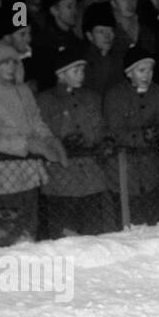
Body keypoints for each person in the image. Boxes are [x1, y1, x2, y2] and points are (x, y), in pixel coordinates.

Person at [0, 39, 66, 241]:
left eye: (14, 62)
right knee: (10, 230)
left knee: (31, 225)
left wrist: (49, 139)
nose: (11, 67)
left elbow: (36, 120)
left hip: (30, 172)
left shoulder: (23, 91)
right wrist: (26, 144)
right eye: (4, 63)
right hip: (5, 175)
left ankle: (30, 264)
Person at [37, 44, 115, 237]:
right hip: (61, 180)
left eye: (82, 70)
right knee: (65, 235)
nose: (81, 74)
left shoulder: (92, 98)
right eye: (76, 70)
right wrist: (62, 142)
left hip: (91, 178)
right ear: (61, 74)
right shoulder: (46, 100)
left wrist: (105, 142)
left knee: (92, 233)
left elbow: (102, 127)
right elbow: (41, 132)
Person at [102, 45, 159, 226]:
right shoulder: (115, 95)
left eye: (150, 70)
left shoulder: (158, 93)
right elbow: (115, 131)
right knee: (128, 223)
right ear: (129, 73)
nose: (147, 75)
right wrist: (142, 136)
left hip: (150, 172)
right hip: (123, 173)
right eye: (141, 70)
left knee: (153, 221)